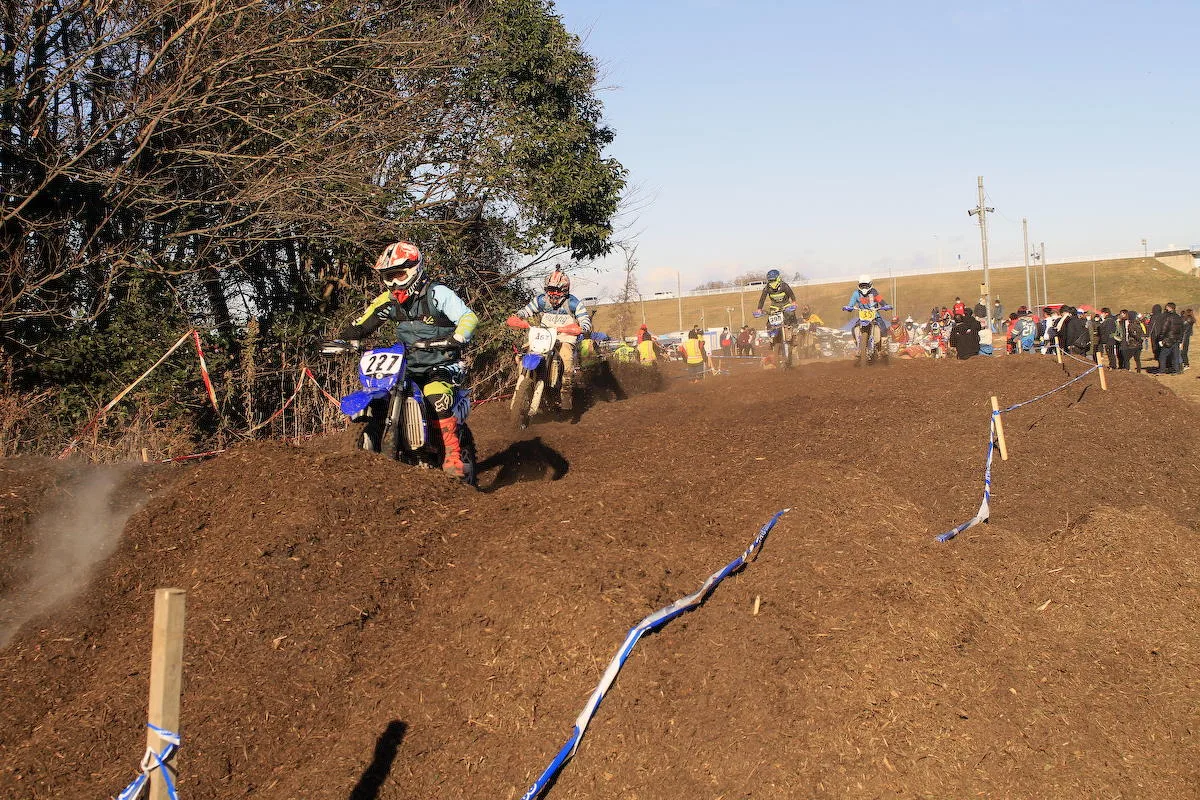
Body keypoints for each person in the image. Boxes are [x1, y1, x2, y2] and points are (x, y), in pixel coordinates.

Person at [337, 241, 479, 478]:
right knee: (383, 393)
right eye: (388, 276)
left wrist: (457, 337)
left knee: (435, 394)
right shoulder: (388, 300)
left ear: (415, 270)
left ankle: (452, 456)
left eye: (399, 275)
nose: (394, 282)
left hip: (443, 362)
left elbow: (468, 317)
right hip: (406, 365)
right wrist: (342, 340)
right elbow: (362, 324)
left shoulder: (437, 294)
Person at [513, 268, 592, 410]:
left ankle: (566, 392)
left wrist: (582, 327)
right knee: (523, 353)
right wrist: (518, 316)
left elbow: (585, 320)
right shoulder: (541, 300)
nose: (553, 294)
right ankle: (524, 382)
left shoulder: (573, 303)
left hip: (565, 336)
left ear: (565, 290)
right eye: (551, 290)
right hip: (543, 334)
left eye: (557, 290)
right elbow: (526, 310)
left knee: (566, 357)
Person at [1158, 302, 1185, 374]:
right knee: (1175, 356)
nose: (1165, 309)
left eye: (1166, 307)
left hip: (1168, 339)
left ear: (1169, 308)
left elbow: (1164, 328)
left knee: (1162, 356)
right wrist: (1180, 340)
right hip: (1176, 339)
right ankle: (1176, 370)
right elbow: (1182, 330)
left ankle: (1162, 370)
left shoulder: (1168, 317)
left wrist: (1161, 339)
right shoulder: (1179, 317)